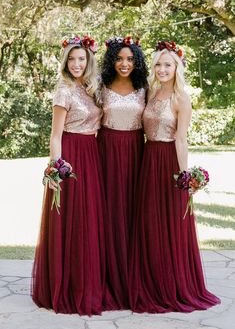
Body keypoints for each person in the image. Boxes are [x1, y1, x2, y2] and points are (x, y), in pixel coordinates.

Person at [129, 41, 221, 313]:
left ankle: (173, 285)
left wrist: (185, 178)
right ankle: (148, 281)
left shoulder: (182, 99)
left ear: (177, 67)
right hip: (147, 161)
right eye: (158, 64)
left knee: (170, 222)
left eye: (168, 64)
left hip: (169, 161)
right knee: (148, 222)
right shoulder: (150, 93)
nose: (162, 69)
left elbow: (181, 140)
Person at [31, 35, 106, 315]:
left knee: (89, 219)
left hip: (92, 155)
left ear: (88, 61)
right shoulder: (63, 91)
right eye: (72, 59)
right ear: (65, 62)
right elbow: (55, 135)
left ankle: (89, 282)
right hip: (72, 156)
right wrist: (57, 168)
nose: (77, 64)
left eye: (81, 59)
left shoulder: (90, 88)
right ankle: (69, 285)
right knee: (72, 219)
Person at [97, 36, 148, 310]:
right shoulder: (101, 86)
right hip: (105, 151)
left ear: (137, 61)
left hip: (135, 153)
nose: (124, 64)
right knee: (108, 211)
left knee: (132, 212)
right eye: (119, 58)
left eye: (130, 59)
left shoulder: (144, 87)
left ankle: (133, 277)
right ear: (111, 60)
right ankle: (107, 276)